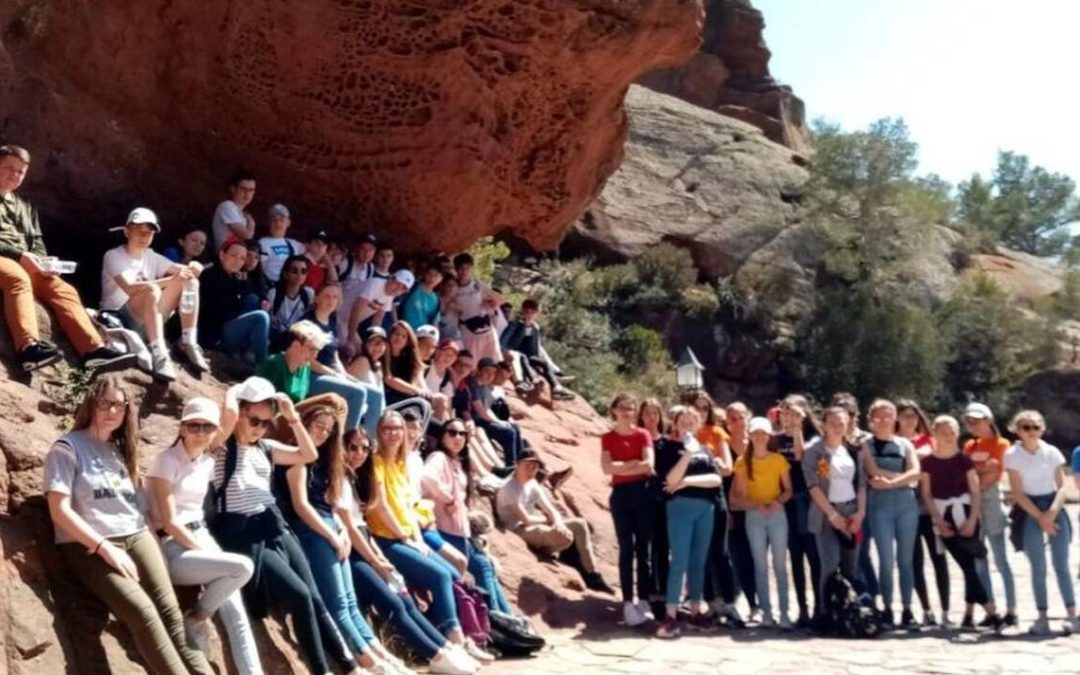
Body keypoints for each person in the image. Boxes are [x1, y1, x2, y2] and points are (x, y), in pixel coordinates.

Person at [43, 374, 213, 675]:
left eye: (119, 406)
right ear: (91, 403)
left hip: (136, 535)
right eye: (105, 404)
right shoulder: (66, 448)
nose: (112, 412)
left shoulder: (120, 450)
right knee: (143, 612)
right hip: (89, 546)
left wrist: (155, 545)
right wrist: (105, 548)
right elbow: (59, 510)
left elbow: (138, 508)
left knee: (171, 613)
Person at [208, 377, 361, 675]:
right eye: (254, 420)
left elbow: (308, 454)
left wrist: (291, 416)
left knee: (312, 595)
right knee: (300, 595)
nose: (259, 428)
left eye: (265, 423)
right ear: (239, 413)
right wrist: (235, 390)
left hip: (271, 521)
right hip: (240, 529)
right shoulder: (221, 446)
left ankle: (349, 665)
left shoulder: (265, 447)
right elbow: (226, 416)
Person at [278, 406, 415, 674]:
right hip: (311, 532)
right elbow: (301, 506)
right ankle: (367, 661)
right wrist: (332, 533)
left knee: (350, 601)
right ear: (304, 424)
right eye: (318, 426)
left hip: (331, 526)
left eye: (328, 429)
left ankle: (379, 655)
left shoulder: (322, 461)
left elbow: (330, 504)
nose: (322, 433)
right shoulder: (296, 459)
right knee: (337, 604)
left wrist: (339, 529)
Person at [341, 429, 479, 675]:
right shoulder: (343, 476)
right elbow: (353, 523)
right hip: (354, 550)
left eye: (364, 448)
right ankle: (434, 654)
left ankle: (442, 648)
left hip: (369, 544)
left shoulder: (354, 478)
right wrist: (377, 559)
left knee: (404, 599)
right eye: (353, 447)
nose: (359, 453)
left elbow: (363, 523)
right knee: (393, 601)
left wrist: (380, 557)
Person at [365, 411, 494, 663]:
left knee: (452, 573)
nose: (393, 433)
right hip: (386, 539)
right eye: (387, 428)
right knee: (441, 574)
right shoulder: (376, 462)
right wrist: (406, 538)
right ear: (379, 432)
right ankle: (455, 639)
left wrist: (417, 539)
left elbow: (407, 507)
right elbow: (381, 506)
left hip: (408, 536)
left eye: (397, 428)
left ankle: (453, 634)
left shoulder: (400, 464)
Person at [146, 397, 263, 673]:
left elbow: (231, 417)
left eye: (207, 427)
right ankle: (197, 616)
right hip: (175, 547)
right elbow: (171, 522)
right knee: (243, 567)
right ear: (182, 428)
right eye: (194, 426)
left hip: (202, 539)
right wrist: (202, 550)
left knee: (237, 614)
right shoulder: (166, 462)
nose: (200, 432)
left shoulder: (205, 459)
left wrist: (234, 393)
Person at [0, 144, 133, 371]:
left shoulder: (25, 205)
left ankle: (93, 351)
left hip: (24, 259)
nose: (15, 175)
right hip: (7, 258)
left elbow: (36, 240)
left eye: (20, 171)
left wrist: (44, 262)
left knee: (64, 290)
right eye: (9, 168)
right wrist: (20, 255)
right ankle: (28, 348)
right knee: (18, 278)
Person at [100, 206, 209, 379]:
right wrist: (171, 280)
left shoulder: (151, 255)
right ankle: (159, 353)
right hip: (122, 318)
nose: (144, 236)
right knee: (151, 289)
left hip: (150, 319)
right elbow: (131, 287)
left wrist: (194, 267)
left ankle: (189, 341)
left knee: (190, 280)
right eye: (139, 231)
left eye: (149, 232)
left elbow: (182, 270)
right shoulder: (113, 256)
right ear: (127, 232)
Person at [919, 415, 1004, 633]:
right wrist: (938, 520)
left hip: (965, 513)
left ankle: (971, 615)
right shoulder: (927, 462)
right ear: (935, 434)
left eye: (952, 432)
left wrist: (972, 519)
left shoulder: (964, 460)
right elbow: (926, 494)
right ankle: (992, 612)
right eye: (943, 432)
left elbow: (974, 491)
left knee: (970, 566)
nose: (948, 436)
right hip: (943, 516)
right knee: (967, 565)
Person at [423, 419, 514, 615]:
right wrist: (447, 499)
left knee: (484, 566)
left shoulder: (458, 462)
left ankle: (506, 620)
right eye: (452, 433)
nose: (458, 437)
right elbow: (427, 478)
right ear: (443, 435)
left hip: (460, 531)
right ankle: (498, 620)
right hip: (443, 530)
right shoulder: (438, 457)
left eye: (462, 434)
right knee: (479, 568)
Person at [1003, 409, 1079, 636]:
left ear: (1042, 429)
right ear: (1017, 430)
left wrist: (1052, 513)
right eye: (1026, 427)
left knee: (1062, 565)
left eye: (1036, 427)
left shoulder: (1052, 452)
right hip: (1029, 510)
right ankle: (1042, 616)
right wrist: (1039, 516)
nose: (1031, 431)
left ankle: (1072, 614)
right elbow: (1017, 492)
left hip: (1053, 505)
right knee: (1038, 567)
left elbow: (1062, 486)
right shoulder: (1012, 455)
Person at [497, 448, 612, 594]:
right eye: (527, 466)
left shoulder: (532, 484)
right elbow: (526, 520)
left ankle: (592, 574)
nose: (531, 470)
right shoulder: (509, 489)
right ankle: (551, 550)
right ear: (518, 465)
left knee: (579, 524)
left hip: (536, 525)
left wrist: (557, 522)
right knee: (563, 535)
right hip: (517, 530)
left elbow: (551, 510)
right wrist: (548, 521)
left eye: (535, 466)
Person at [653, 407, 723, 638]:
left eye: (692, 421)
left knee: (698, 561)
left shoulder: (705, 449)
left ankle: (695, 610)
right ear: (674, 423)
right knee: (679, 560)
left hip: (706, 508)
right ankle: (671, 615)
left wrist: (687, 481)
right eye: (682, 421)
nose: (687, 424)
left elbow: (715, 479)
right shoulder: (667, 447)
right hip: (679, 508)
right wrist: (686, 455)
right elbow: (669, 480)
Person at [257, 320, 378, 436]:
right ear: (295, 345)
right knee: (333, 399)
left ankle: (340, 443)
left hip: (294, 419)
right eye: (311, 349)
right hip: (274, 422)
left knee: (337, 405)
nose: (315, 355)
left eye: (317, 350)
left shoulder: (304, 367)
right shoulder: (274, 364)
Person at [860, 399, 920, 629]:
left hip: (906, 505)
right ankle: (887, 608)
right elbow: (872, 472)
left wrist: (892, 482)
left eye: (889, 415)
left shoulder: (905, 444)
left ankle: (907, 609)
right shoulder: (865, 445)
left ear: (895, 418)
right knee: (885, 560)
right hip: (879, 507)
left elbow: (916, 472)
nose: (885, 420)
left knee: (906, 560)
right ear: (872, 419)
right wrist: (901, 479)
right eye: (880, 416)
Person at [803, 407, 866, 622]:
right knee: (829, 564)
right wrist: (832, 514)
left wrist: (860, 514)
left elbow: (861, 485)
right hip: (826, 513)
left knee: (851, 567)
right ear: (824, 425)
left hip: (851, 510)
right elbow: (813, 486)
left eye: (842, 422)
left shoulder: (854, 450)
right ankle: (824, 612)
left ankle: (850, 612)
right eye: (833, 422)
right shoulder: (816, 451)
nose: (838, 426)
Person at [732, 416, 793, 630]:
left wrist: (778, 502)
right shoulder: (742, 462)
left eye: (763, 434)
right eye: (755, 433)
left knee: (779, 565)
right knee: (760, 565)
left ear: (768, 437)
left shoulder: (778, 460)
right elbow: (738, 495)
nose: (759, 438)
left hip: (777, 514)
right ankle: (766, 612)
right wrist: (755, 504)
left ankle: (784, 613)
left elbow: (788, 490)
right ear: (750, 435)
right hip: (754, 515)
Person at [601, 394, 656, 627]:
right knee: (626, 548)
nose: (627, 412)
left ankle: (644, 599)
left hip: (642, 494)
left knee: (644, 548)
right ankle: (627, 602)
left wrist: (622, 466)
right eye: (622, 408)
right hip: (622, 496)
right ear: (614, 410)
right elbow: (606, 467)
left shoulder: (642, 434)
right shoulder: (608, 437)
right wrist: (633, 465)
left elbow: (649, 464)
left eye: (631, 408)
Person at [962, 402, 1018, 628]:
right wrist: (983, 469)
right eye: (969, 421)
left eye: (978, 420)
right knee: (979, 561)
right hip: (974, 503)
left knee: (1001, 559)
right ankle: (991, 607)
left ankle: (1012, 609)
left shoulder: (1002, 443)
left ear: (989, 420)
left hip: (991, 502)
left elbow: (994, 473)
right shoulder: (969, 446)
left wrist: (979, 472)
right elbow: (972, 473)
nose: (974, 425)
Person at [897, 399, 949, 626]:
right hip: (906, 508)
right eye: (905, 415)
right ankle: (926, 609)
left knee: (939, 559)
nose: (910, 419)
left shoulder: (930, 441)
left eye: (914, 415)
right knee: (914, 560)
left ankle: (945, 609)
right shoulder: (893, 443)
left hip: (931, 508)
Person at [770, 395, 821, 627]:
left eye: (794, 413)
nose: (789, 417)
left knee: (813, 554)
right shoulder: (774, 440)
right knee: (795, 556)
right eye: (785, 413)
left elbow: (801, 457)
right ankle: (802, 609)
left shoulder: (815, 439)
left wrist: (798, 429)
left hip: (808, 499)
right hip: (787, 501)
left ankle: (820, 606)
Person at [197, 237, 272, 365]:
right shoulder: (209, 275)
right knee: (261, 317)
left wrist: (243, 285)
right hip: (213, 335)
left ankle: (248, 354)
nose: (238, 261)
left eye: (242, 258)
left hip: (226, 329)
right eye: (234, 256)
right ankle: (263, 367)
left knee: (254, 302)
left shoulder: (234, 278)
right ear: (222, 254)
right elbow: (220, 312)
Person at [723, 401, 758, 619]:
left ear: (749, 417)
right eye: (732, 419)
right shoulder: (723, 446)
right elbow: (720, 482)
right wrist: (725, 510)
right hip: (733, 510)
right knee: (734, 556)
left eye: (741, 417)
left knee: (754, 556)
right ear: (727, 423)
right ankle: (732, 601)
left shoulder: (759, 442)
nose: (737, 422)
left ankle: (755, 603)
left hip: (757, 508)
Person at [499, 298, 572, 401]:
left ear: (536, 313)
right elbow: (505, 341)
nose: (529, 314)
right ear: (523, 311)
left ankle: (556, 387)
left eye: (532, 312)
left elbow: (535, 347)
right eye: (527, 311)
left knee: (543, 364)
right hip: (516, 354)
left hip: (530, 356)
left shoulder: (535, 328)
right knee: (523, 359)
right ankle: (530, 381)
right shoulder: (515, 325)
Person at [457, 357, 523, 467]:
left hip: (481, 420)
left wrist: (499, 421)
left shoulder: (482, 386)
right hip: (473, 421)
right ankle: (511, 465)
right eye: (487, 371)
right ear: (479, 370)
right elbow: (480, 410)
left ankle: (521, 461)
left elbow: (486, 408)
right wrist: (499, 423)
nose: (490, 375)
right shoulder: (472, 384)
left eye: (493, 373)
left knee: (514, 427)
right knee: (508, 432)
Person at [452, 254, 502, 363]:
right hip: (468, 332)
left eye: (467, 268)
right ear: (456, 269)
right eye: (461, 268)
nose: (464, 271)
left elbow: (499, 300)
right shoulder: (453, 287)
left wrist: (492, 303)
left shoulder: (478, 285)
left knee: (493, 362)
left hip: (486, 330)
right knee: (472, 364)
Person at [346, 268, 414, 348]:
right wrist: (350, 338)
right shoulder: (375, 284)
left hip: (347, 323)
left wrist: (375, 340)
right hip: (339, 317)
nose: (398, 289)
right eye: (398, 283)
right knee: (351, 349)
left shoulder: (390, 296)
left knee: (361, 350)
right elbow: (355, 311)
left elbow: (377, 320)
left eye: (403, 288)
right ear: (391, 278)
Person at [266, 255, 316, 347]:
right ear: (285, 273)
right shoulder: (274, 293)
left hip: (299, 337)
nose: (299, 275)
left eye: (303, 271)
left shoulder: (309, 293)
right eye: (294, 271)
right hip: (277, 337)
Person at [257, 203, 305, 285]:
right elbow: (260, 269)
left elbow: (318, 250)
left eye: (282, 220)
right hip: (273, 285)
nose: (278, 224)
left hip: (291, 286)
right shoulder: (263, 243)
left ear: (288, 222)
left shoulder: (295, 244)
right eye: (274, 220)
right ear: (269, 222)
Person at [211, 169, 257, 250]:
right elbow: (247, 236)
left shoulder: (242, 213)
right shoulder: (227, 206)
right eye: (243, 189)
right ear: (233, 189)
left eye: (251, 190)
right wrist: (252, 223)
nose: (247, 194)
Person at [401, 263, 444, 331]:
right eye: (430, 274)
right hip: (403, 330)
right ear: (425, 274)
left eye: (436, 275)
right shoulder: (412, 287)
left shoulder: (436, 300)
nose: (432, 278)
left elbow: (434, 322)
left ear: (441, 279)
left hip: (421, 334)